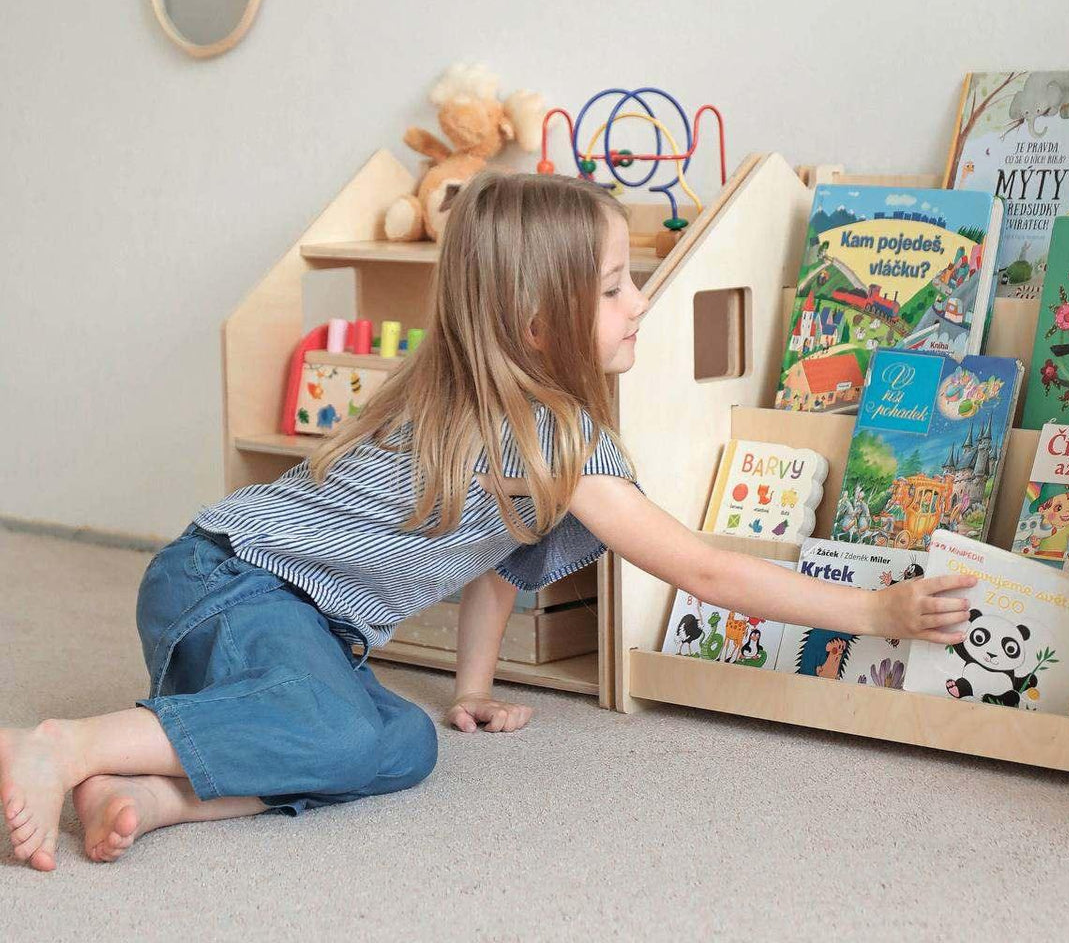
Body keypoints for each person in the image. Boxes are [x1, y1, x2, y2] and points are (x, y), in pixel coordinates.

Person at [0, 172, 973, 871]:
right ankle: (67, 743)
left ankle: (153, 793)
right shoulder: (551, 441)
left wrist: (468, 687)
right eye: (614, 288)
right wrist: (877, 613)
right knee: (333, 726)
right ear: (536, 322)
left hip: (263, 612)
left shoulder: (519, 423)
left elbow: (500, 567)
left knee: (408, 743)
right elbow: (707, 572)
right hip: (235, 582)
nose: (640, 306)